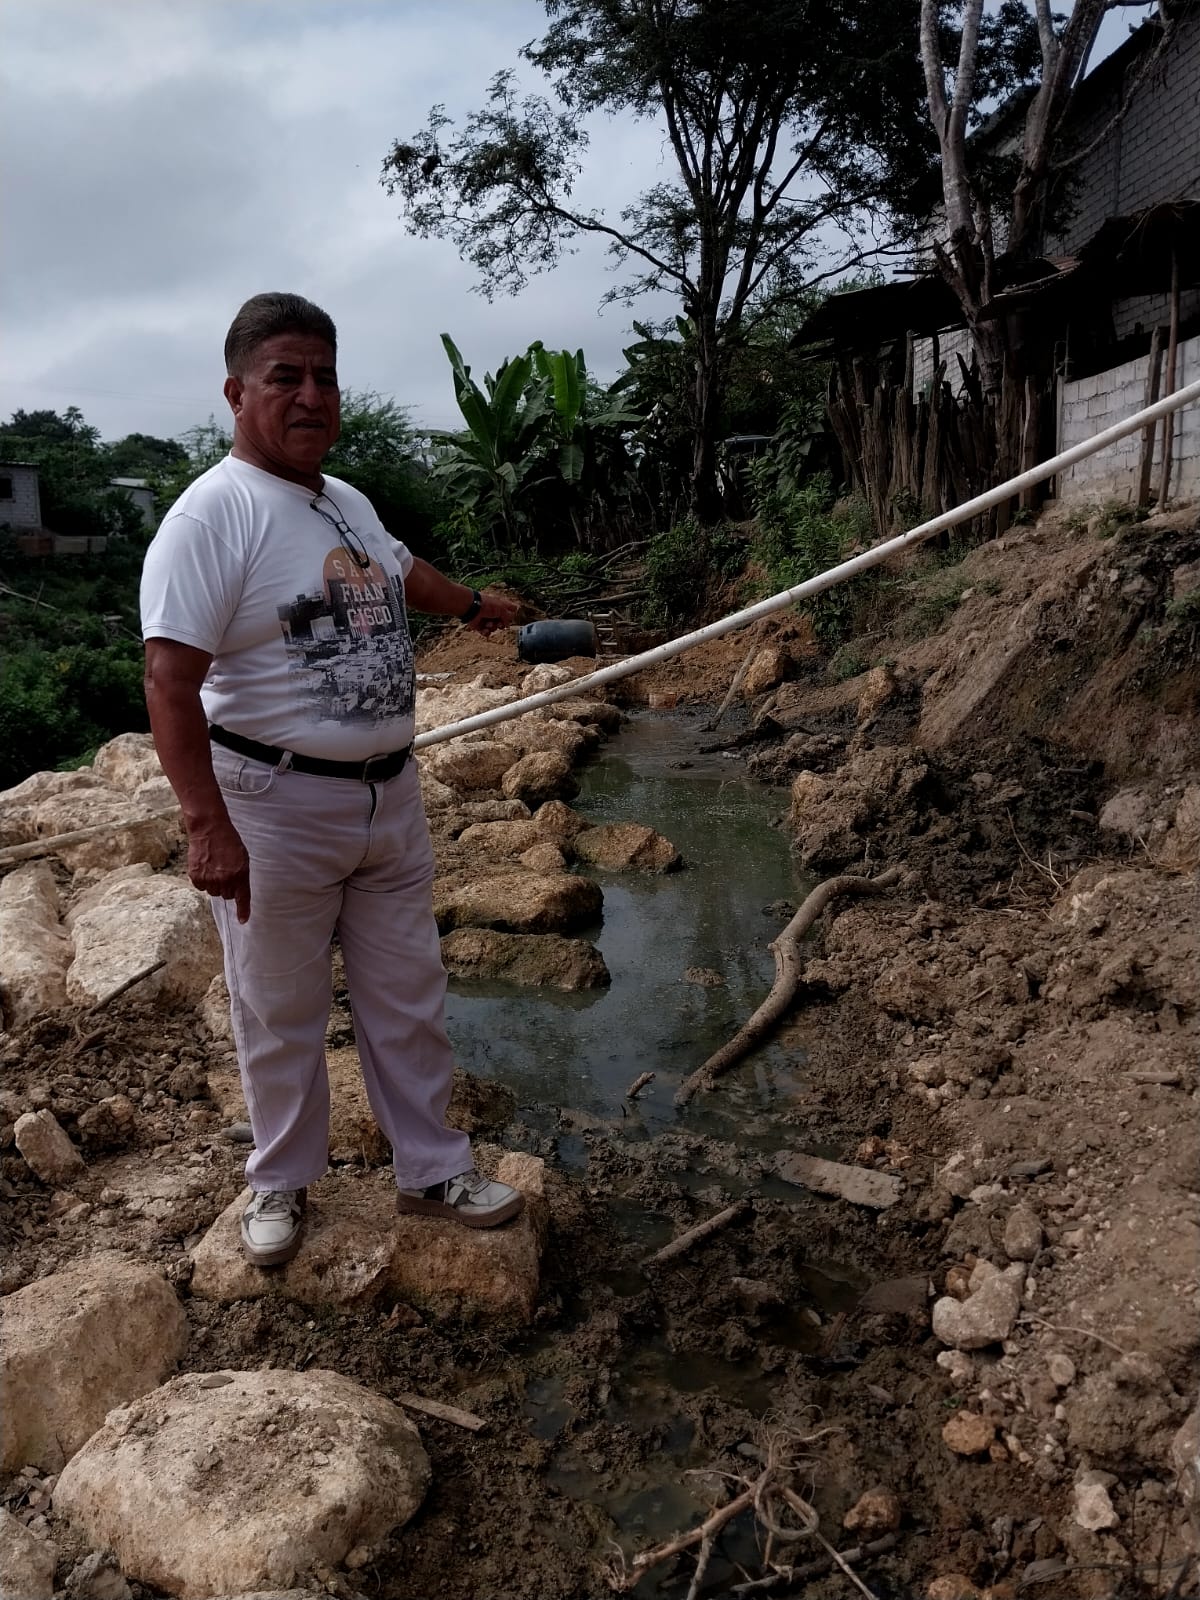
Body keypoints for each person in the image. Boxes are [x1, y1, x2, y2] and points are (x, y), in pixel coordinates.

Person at [141, 291, 524, 1267]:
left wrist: (472, 605)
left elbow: (402, 572)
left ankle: (433, 1168)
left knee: (410, 993)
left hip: (389, 798)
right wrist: (206, 826)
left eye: (325, 376)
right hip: (274, 807)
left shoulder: (345, 499)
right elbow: (170, 682)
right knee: (279, 1008)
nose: (311, 396)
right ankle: (279, 1180)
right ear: (236, 392)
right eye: (286, 377)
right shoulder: (211, 516)